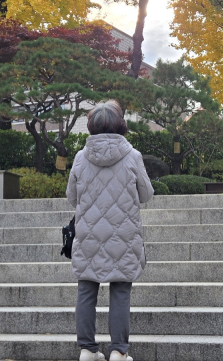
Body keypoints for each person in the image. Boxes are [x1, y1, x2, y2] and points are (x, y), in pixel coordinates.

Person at [66, 100, 154, 361]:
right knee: (120, 290)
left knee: (86, 289)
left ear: (91, 126)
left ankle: (87, 350)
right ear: (120, 125)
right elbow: (146, 195)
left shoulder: (81, 157)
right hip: (123, 236)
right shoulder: (133, 156)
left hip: (88, 235)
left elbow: (72, 197)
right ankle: (118, 351)